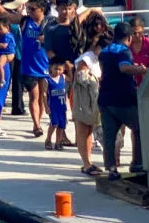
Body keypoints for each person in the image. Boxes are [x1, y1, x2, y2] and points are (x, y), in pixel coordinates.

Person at [99, 22, 147, 180]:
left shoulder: (105, 50)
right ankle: (138, 163)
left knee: (109, 135)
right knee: (140, 129)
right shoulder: (124, 50)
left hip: (105, 98)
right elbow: (123, 68)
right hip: (123, 99)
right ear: (129, 37)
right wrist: (140, 69)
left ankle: (112, 168)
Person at [74, 29, 108, 176]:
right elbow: (81, 76)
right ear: (97, 47)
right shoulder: (88, 58)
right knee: (83, 131)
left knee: (93, 132)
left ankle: (90, 163)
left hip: (96, 99)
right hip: (83, 98)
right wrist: (96, 79)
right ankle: (86, 164)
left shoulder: (104, 59)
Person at [20, 0, 52, 138]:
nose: (29, 12)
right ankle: (37, 125)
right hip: (29, 66)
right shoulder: (26, 22)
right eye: (28, 8)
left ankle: (37, 121)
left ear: (42, 9)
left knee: (42, 98)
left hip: (45, 66)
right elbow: (7, 15)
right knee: (34, 96)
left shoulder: (50, 24)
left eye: (33, 9)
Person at [46, 59, 70, 151]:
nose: (58, 71)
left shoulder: (63, 77)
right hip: (53, 106)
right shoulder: (47, 79)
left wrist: (69, 69)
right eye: (56, 69)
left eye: (60, 69)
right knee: (54, 123)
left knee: (61, 125)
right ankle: (48, 139)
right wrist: (46, 106)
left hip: (62, 106)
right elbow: (44, 94)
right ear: (51, 68)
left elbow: (72, 79)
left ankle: (58, 142)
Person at [130, 16, 149, 87]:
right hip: (130, 85)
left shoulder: (148, 43)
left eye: (140, 33)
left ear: (143, 30)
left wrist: (146, 70)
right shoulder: (126, 45)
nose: (137, 35)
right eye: (134, 33)